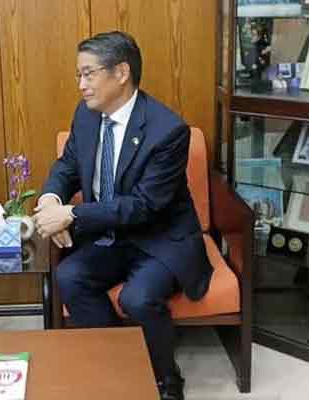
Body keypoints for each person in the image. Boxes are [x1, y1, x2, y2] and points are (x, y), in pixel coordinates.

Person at [32, 31, 211, 400]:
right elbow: (68, 165)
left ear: (121, 72)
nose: (81, 85)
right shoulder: (86, 114)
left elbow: (144, 206)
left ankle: (166, 377)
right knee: (70, 276)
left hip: (159, 238)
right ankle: (121, 361)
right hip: (110, 235)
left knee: (138, 298)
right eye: (78, 75)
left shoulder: (167, 130)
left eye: (88, 74)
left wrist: (72, 214)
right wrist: (51, 200)